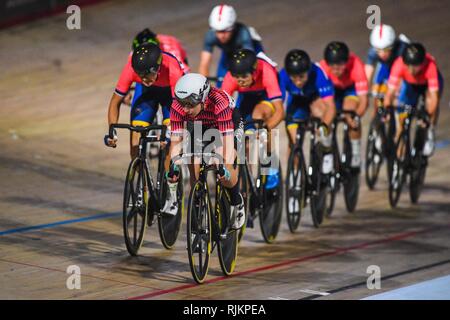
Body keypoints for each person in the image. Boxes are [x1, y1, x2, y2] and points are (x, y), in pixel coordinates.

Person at [163, 73, 246, 229]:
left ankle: (236, 201)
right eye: (183, 104)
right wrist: (174, 166)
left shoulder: (219, 102)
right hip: (202, 125)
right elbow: (176, 141)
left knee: (225, 167)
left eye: (190, 104)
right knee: (194, 165)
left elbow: (227, 143)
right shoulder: (178, 106)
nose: (185, 109)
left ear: (203, 98)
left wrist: (221, 163)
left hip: (229, 122)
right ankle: (198, 206)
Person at [104, 42, 185, 161]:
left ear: (157, 68)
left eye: (146, 74)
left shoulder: (173, 69)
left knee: (170, 141)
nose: (143, 78)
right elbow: (115, 101)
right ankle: (138, 171)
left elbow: (179, 109)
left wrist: (170, 131)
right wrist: (112, 130)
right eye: (139, 74)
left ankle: (169, 177)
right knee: (135, 138)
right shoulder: (130, 69)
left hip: (170, 97)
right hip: (147, 94)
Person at [221, 48, 285, 189]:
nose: (240, 80)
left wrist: (265, 129)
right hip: (247, 98)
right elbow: (222, 108)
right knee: (243, 141)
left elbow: (280, 112)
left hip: (266, 96)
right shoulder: (230, 77)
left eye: (244, 76)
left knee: (258, 116)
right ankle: (246, 182)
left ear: (254, 72)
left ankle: (271, 164)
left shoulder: (266, 72)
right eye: (236, 76)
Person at [280, 49, 336, 173]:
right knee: (293, 142)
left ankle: (327, 149)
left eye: (301, 77)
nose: (298, 81)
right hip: (296, 103)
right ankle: (297, 176)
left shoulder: (318, 73)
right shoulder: (283, 76)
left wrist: (324, 126)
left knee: (321, 112)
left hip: (315, 99)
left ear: (308, 72)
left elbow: (330, 107)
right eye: (294, 78)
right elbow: (278, 102)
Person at [384, 42, 444, 156]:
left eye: (415, 66)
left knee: (430, 103)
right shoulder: (399, 64)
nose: (411, 70)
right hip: (411, 84)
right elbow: (389, 93)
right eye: (408, 66)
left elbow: (434, 97)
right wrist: (386, 108)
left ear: (422, 63)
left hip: (427, 86)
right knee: (401, 110)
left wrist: (428, 115)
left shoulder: (430, 65)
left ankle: (430, 131)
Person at [320, 41, 369, 168]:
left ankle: (356, 152)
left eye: (340, 66)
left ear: (346, 63)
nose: (336, 71)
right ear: (327, 64)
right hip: (332, 91)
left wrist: (356, 117)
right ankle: (327, 152)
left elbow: (363, 100)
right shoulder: (322, 68)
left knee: (350, 112)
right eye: (333, 67)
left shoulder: (357, 66)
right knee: (325, 115)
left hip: (350, 90)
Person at [198, 4, 264, 87]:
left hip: (251, 51)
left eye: (225, 31)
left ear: (233, 27)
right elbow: (204, 64)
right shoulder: (210, 35)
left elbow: (249, 61)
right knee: (221, 83)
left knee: (254, 79)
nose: (221, 36)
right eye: (218, 31)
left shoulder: (243, 34)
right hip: (228, 52)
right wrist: (206, 89)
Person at [124, 28, 189, 107]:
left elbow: (184, 71)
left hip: (176, 60)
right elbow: (128, 74)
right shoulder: (135, 54)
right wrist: (125, 91)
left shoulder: (170, 48)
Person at [365, 24, 409, 117]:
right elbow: (367, 74)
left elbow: (404, 75)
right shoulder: (373, 51)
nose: (382, 54)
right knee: (377, 96)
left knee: (396, 96)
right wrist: (365, 90)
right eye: (378, 50)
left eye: (386, 49)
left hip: (402, 71)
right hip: (386, 68)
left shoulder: (402, 50)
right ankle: (376, 121)